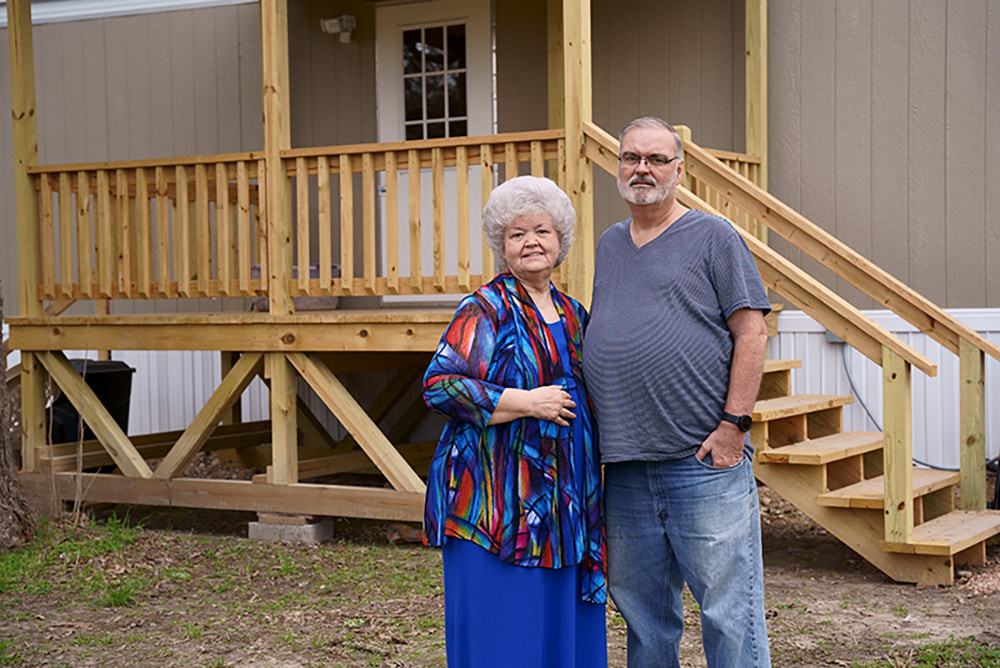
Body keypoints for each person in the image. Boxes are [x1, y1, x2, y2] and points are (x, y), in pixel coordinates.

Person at [583, 116, 772, 667]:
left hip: (703, 461)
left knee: (728, 613)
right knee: (643, 616)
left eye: (656, 159)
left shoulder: (714, 236)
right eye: (631, 158)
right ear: (618, 166)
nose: (642, 168)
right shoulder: (610, 243)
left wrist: (734, 427)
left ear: (679, 169)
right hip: (624, 468)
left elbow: (752, 333)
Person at [422, 175, 607, 667]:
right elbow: (439, 385)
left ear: (560, 241)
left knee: (556, 630)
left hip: (564, 507)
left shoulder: (574, 314)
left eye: (542, 231)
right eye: (518, 234)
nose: (532, 243)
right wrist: (524, 402)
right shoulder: (485, 309)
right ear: (502, 246)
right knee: (504, 635)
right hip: (496, 503)